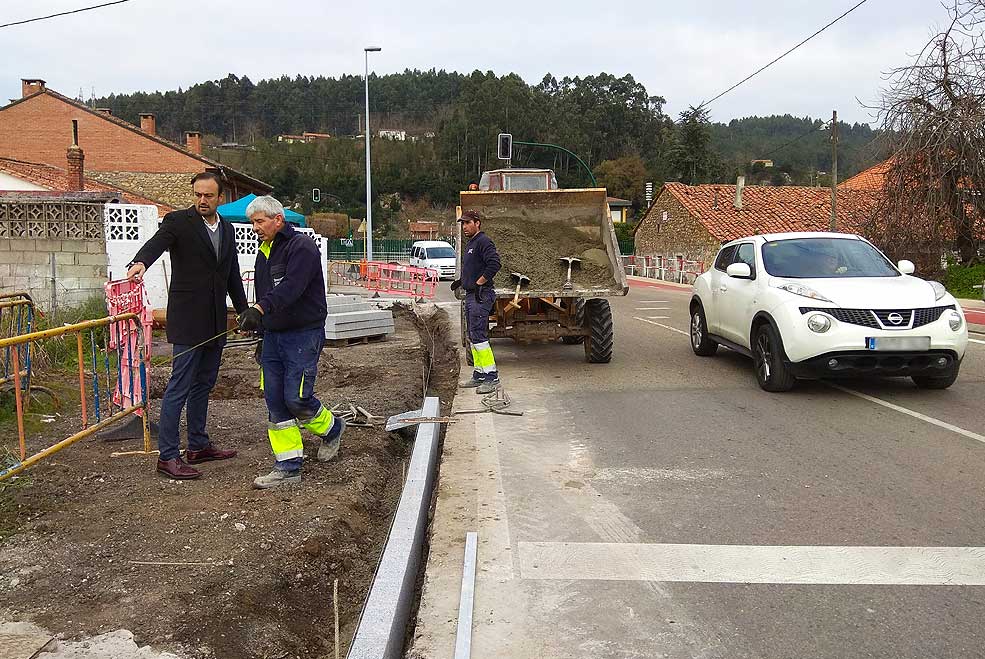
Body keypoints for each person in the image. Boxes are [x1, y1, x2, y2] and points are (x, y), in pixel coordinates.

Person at [127, 172, 247, 480]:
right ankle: (167, 456)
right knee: (178, 388)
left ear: (221, 198)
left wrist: (244, 312)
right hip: (188, 320)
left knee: (203, 385)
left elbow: (231, 273)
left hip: (215, 321)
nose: (202, 201)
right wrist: (139, 263)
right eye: (197, 195)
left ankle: (197, 445)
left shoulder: (228, 228)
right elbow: (157, 243)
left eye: (208, 196)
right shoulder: (179, 222)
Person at [237, 195, 342, 490]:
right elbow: (267, 293)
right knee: (274, 399)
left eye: (259, 221)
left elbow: (292, 289)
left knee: (295, 397)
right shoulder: (264, 251)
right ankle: (288, 465)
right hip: (274, 337)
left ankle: (332, 428)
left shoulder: (302, 248)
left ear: (277, 220)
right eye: (252, 223)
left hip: (302, 334)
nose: (254, 228)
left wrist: (258, 310)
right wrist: (260, 329)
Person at [451, 209, 502, 394]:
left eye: (467, 223)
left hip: (481, 295)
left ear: (477, 223)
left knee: (479, 336)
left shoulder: (483, 241)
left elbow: (494, 264)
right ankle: (479, 374)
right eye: (462, 223)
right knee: (473, 336)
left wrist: (479, 282)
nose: (464, 226)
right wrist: (463, 282)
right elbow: (474, 267)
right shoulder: (472, 243)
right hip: (471, 294)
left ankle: (491, 376)